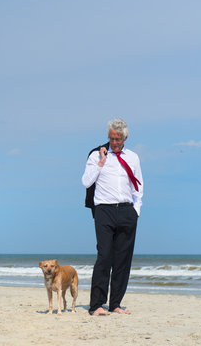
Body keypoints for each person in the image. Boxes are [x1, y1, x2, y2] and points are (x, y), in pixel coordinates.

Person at [82, 118, 143, 316]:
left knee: (123, 259)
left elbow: (138, 186)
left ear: (125, 137)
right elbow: (86, 181)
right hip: (104, 211)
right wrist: (101, 162)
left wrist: (136, 210)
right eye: (111, 138)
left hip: (127, 211)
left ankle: (115, 303)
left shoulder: (133, 157)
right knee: (104, 256)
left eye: (117, 139)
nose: (114, 142)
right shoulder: (96, 154)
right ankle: (96, 305)